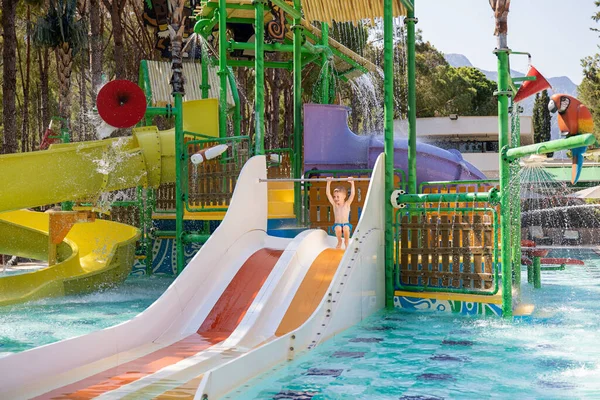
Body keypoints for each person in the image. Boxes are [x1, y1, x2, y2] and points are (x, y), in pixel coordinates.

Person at [326, 177, 355, 249]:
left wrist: (352, 183)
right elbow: (328, 194)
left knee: (345, 228)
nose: (335, 198)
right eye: (334, 197)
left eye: (338, 197)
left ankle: (346, 241)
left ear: (344, 196)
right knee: (338, 228)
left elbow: (352, 195)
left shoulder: (347, 204)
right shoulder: (334, 205)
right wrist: (328, 182)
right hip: (337, 224)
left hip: (346, 224)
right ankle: (339, 241)